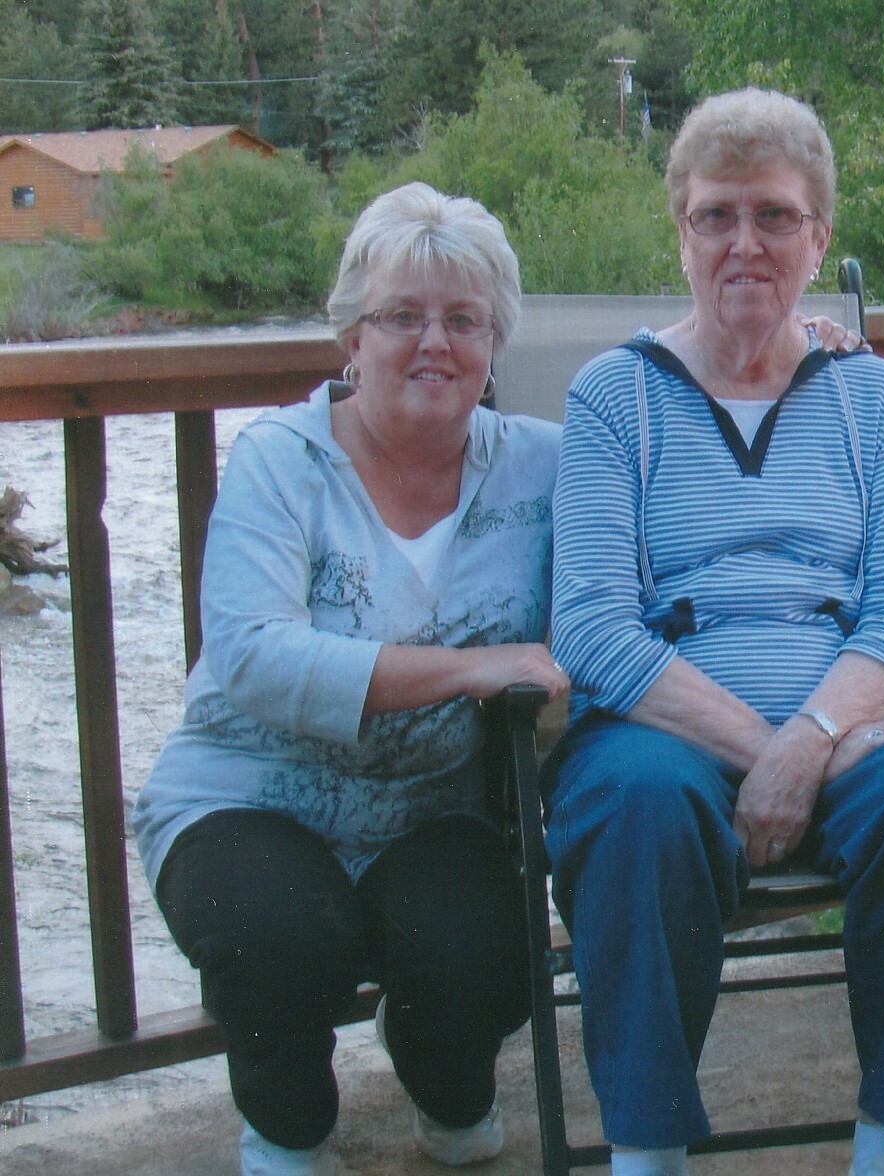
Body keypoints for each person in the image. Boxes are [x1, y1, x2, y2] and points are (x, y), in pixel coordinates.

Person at [545, 88, 884, 1176]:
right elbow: (592, 623)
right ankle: (648, 1153)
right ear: (681, 232)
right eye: (716, 215)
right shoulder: (613, 396)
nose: (743, 243)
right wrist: (783, 753)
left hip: (843, 722)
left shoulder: (873, 396)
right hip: (663, 730)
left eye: (774, 216)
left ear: (819, 236)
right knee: (633, 806)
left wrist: (816, 737)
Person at [132, 182, 568, 1176]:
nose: (433, 343)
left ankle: (444, 1087)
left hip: (430, 807)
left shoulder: (546, 466)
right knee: (277, 938)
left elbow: (677, 444)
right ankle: (287, 1131)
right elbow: (251, 653)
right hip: (245, 795)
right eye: (401, 316)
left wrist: (803, 345)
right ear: (351, 338)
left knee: (484, 950)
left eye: (463, 319)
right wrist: (467, 668)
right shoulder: (279, 461)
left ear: (494, 341)